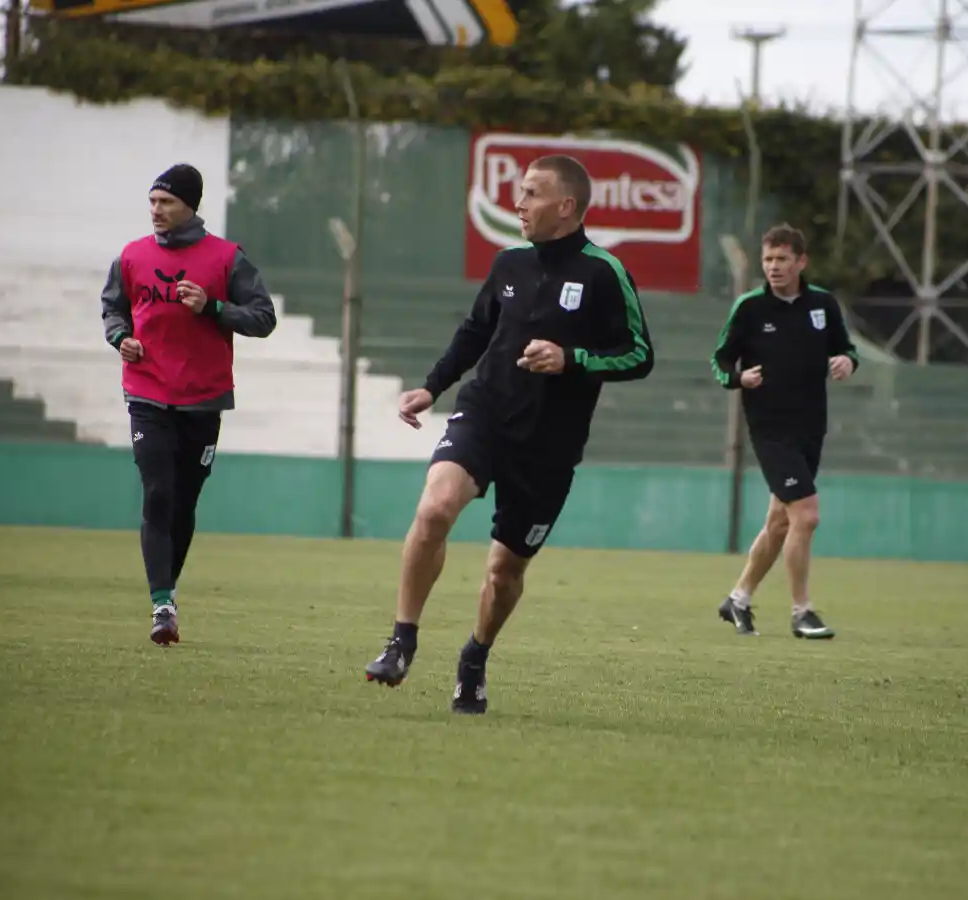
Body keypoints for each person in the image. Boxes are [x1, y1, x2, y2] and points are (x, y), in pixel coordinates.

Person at [364, 154, 655, 714]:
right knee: (435, 509)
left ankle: (474, 657)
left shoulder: (604, 273)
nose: (517, 203)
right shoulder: (509, 264)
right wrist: (433, 386)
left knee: (504, 572)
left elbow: (638, 355)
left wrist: (570, 358)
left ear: (565, 206)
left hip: (550, 446)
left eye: (530, 193)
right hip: (485, 413)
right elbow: (475, 332)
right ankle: (401, 640)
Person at [100, 163, 277, 646]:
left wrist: (214, 307)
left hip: (202, 399)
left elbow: (264, 318)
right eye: (153, 201)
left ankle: (166, 592)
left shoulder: (226, 259)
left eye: (166, 202)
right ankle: (162, 604)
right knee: (157, 492)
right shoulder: (132, 256)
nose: (156, 210)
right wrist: (121, 339)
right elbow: (113, 308)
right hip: (147, 392)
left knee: (184, 500)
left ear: (189, 206)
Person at [710, 223, 858, 640]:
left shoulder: (823, 305)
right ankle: (801, 612)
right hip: (770, 429)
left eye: (782, 260)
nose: (773, 267)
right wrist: (740, 379)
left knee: (780, 522)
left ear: (801, 262)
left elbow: (845, 347)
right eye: (768, 260)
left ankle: (737, 600)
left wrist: (847, 362)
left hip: (811, 427)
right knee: (806, 516)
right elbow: (719, 360)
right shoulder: (750, 308)